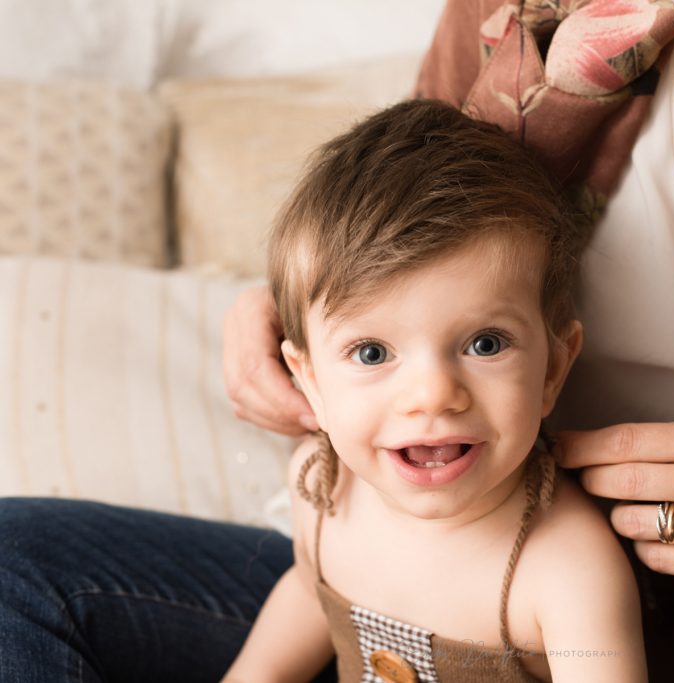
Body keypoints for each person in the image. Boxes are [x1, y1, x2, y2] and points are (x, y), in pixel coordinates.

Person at [2, 1, 674, 681]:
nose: (433, 392)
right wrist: (302, 308)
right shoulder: (550, 21)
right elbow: (395, 214)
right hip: (418, 586)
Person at [221, 99, 646, 683]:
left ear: (552, 371)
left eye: (486, 344)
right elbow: (311, 591)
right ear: (309, 381)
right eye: (372, 353)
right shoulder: (319, 493)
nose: (433, 395)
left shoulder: (565, 570)